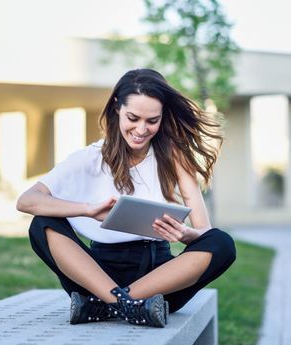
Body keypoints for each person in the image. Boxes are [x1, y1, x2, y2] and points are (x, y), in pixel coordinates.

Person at [16, 68, 236, 328]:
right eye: (133, 118)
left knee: (222, 243)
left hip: (158, 280)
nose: (141, 129)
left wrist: (183, 234)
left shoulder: (175, 157)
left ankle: (106, 305)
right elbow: (27, 200)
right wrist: (86, 210)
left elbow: (203, 231)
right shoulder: (90, 157)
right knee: (42, 223)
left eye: (152, 121)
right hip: (97, 276)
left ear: (162, 117)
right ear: (117, 108)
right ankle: (125, 304)